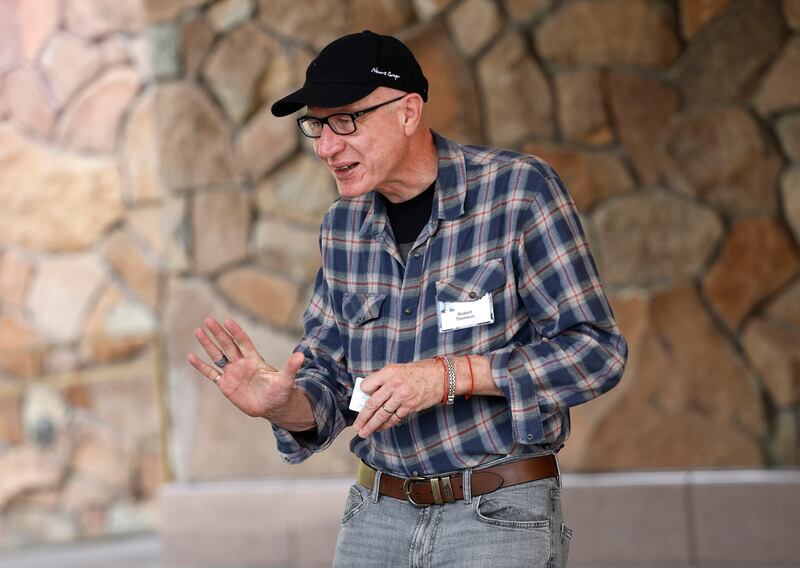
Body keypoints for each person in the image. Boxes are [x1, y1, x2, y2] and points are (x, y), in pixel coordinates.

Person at [187, 30, 627, 568]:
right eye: (317, 126)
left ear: (408, 111)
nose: (327, 145)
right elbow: (334, 385)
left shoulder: (518, 192)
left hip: (498, 515)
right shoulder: (343, 228)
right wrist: (286, 406)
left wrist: (450, 376)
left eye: (346, 120)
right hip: (375, 516)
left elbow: (596, 352)